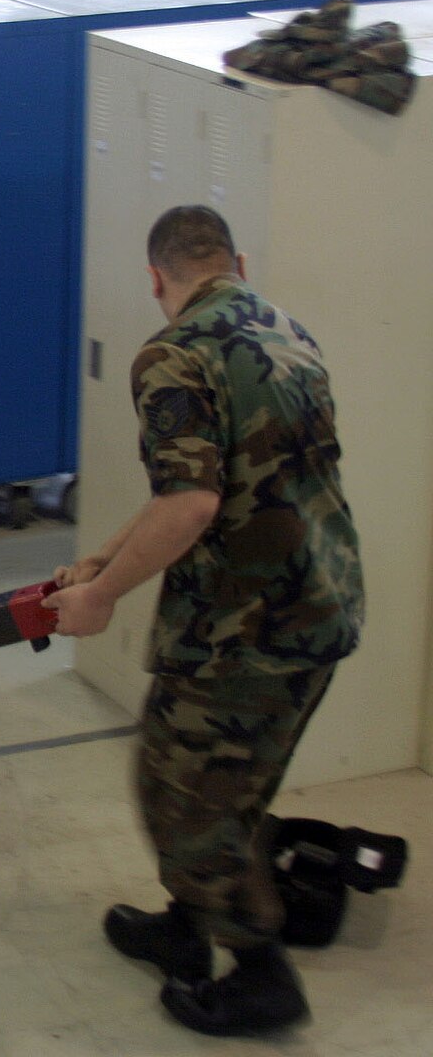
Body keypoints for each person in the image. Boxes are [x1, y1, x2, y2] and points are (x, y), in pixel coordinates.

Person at [45, 205, 362, 1038]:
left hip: (248, 630)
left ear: (156, 279)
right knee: (228, 789)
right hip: (322, 607)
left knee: (182, 800)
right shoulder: (285, 330)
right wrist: (102, 562)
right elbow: (218, 485)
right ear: (237, 263)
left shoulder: (174, 355)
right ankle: (186, 930)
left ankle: (262, 975)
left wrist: (103, 595)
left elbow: (191, 500)